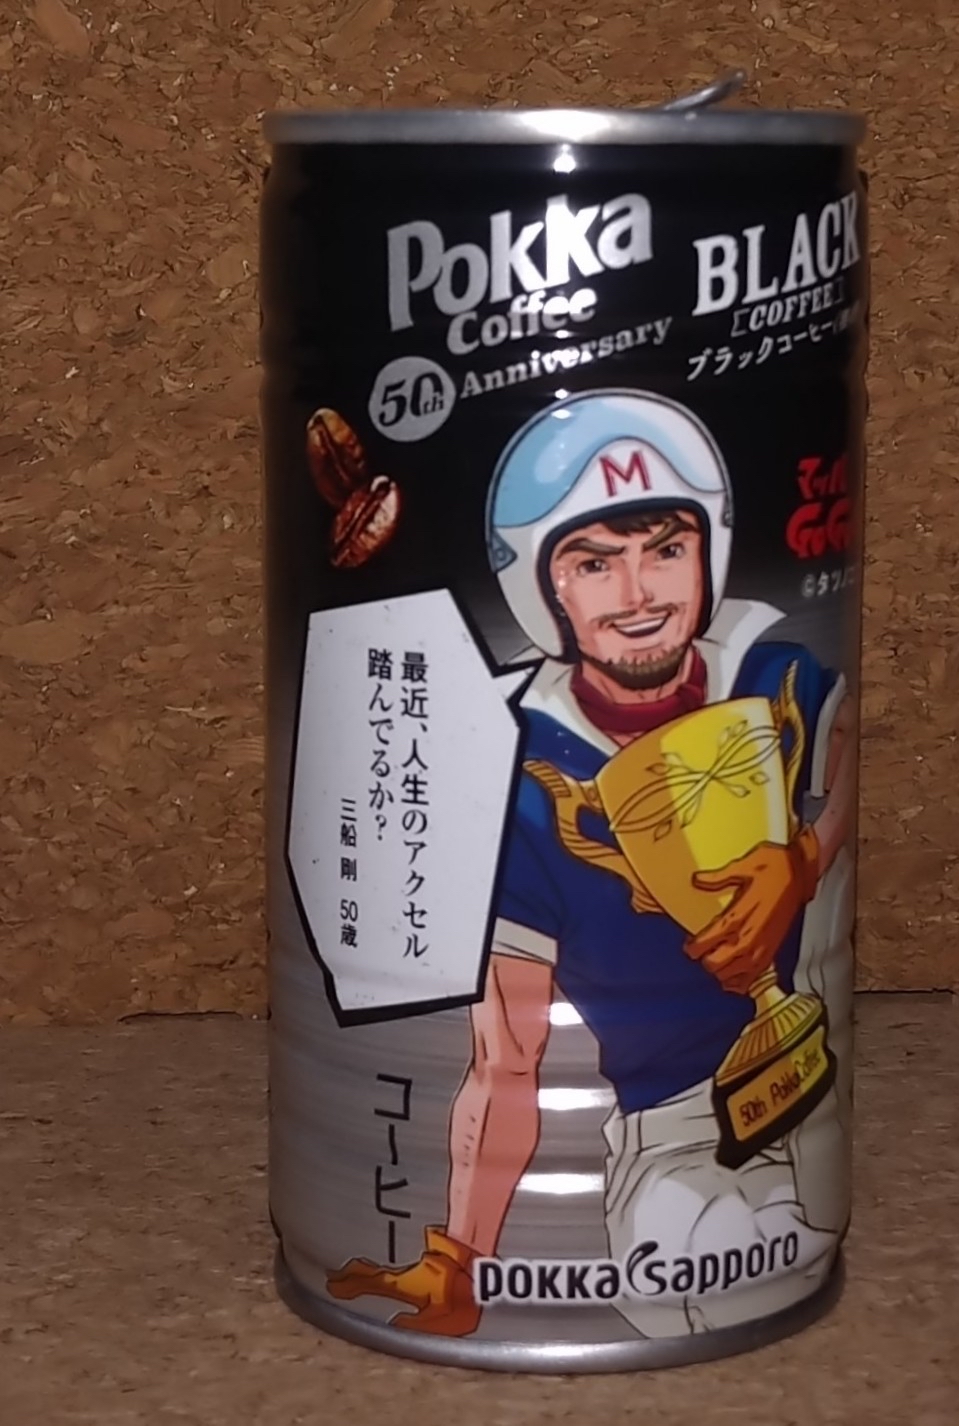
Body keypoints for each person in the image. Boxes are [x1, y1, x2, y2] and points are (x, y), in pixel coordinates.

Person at [326, 389, 858, 1338]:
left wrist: (807, 858)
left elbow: (847, 747)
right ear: (546, 590)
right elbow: (507, 1056)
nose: (640, 594)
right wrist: (459, 1261)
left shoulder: (772, 670)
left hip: (815, 1078)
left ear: (709, 551)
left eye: (667, 549)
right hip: (683, 1128)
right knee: (706, 1262)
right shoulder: (522, 782)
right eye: (594, 562)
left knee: (798, 1222)